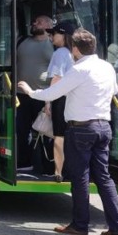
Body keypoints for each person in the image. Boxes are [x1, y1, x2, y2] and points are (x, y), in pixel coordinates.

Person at [17, 28, 118, 235]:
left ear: (75, 49)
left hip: (81, 129)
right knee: (104, 177)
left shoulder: (79, 69)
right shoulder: (106, 67)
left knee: (80, 177)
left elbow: (53, 93)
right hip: (103, 127)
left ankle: (79, 225)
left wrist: (30, 92)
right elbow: (114, 90)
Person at [15, 14, 55, 171]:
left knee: (46, 131)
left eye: (39, 22)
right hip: (21, 95)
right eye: (35, 21)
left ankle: (48, 167)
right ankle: (25, 163)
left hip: (43, 95)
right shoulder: (22, 41)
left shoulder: (53, 45)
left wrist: (50, 99)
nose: (34, 23)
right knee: (22, 130)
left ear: (48, 26)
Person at [45, 19, 78, 181]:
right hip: (76, 99)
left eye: (54, 33)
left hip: (61, 99)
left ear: (63, 35)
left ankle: (58, 171)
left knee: (59, 135)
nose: (51, 36)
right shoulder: (77, 53)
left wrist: (47, 101)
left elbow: (56, 78)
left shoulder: (60, 53)